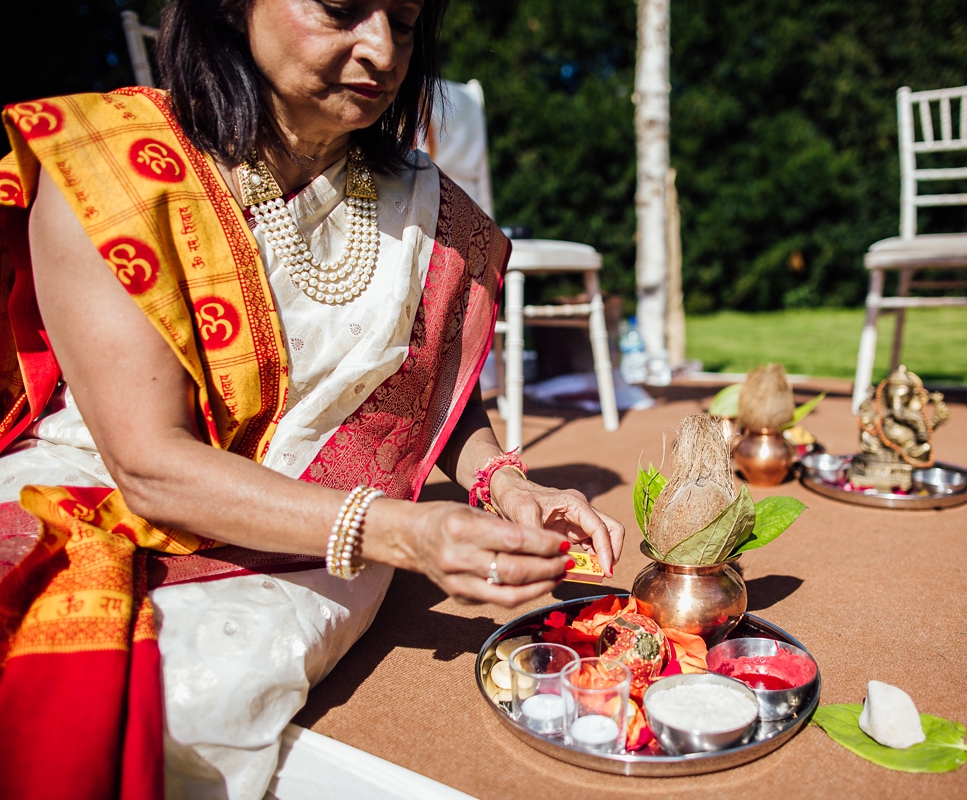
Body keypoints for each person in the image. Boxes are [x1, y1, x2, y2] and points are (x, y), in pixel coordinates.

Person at [0, 0, 623, 798]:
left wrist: (505, 484)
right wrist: (404, 532)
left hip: (319, 536)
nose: (381, 50)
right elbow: (148, 464)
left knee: (201, 694)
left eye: (403, 21)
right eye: (339, 8)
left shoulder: (424, 208)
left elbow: (418, 382)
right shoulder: (111, 168)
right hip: (100, 489)